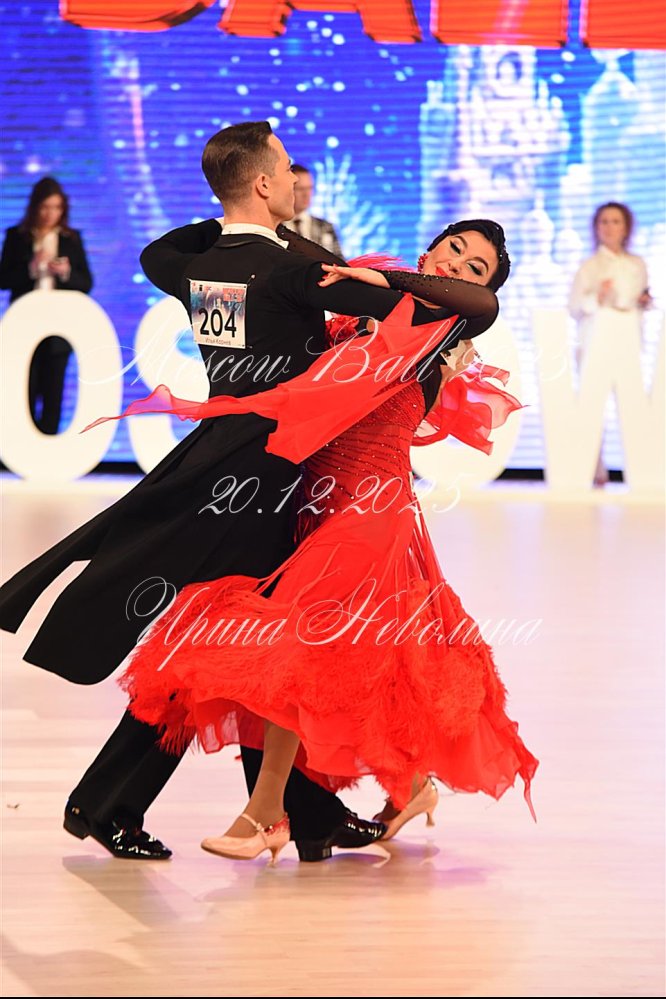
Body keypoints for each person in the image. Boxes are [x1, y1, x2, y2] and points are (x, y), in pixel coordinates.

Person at [0, 123, 480, 863]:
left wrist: (232, 218)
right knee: (229, 647)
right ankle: (116, 801)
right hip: (266, 476)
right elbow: (458, 308)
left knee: (249, 648)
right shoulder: (294, 269)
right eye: (284, 169)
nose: (295, 180)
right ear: (261, 183)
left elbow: (157, 251)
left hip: (222, 460)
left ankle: (299, 813)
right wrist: (356, 270)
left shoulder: (197, 267)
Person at [101, 219, 538, 863]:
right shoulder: (369, 296)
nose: (459, 266)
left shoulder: (444, 321)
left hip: (370, 511)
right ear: (430, 248)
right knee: (367, 663)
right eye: (455, 249)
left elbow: (480, 304)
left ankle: (265, 813)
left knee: (298, 649)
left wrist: (380, 279)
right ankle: (411, 787)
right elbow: (297, 253)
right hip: (311, 501)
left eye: (476, 267)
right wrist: (248, 222)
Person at [0, 176, 93, 434]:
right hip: (24, 323)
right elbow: (3, 279)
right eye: (45, 207)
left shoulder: (71, 239)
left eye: (56, 207)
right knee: (24, 388)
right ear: (35, 207)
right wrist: (32, 268)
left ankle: (50, 441)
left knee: (54, 387)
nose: (50, 213)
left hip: (59, 326)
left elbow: (86, 282)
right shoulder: (17, 237)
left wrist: (65, 273)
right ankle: (20, 443)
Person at [568, 202, 652, 487]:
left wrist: (643, 302)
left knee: (631, 404)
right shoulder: (589, 266)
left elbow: (638, 300)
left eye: (615, 221)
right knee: (593, 405)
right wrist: (598, 297)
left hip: (626, 340)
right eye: (604, 221)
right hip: (595, 341)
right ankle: (594, 468)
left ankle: (641, 469)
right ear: (596, 227)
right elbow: (575, 306)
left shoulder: (637, 265)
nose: (609, 227)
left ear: (626, 227)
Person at [283, 164, 343, 256]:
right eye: (300, 189)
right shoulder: (276, 227)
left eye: (309, 188)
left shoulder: (325, 227)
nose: (306, 194)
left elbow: (339, 260)